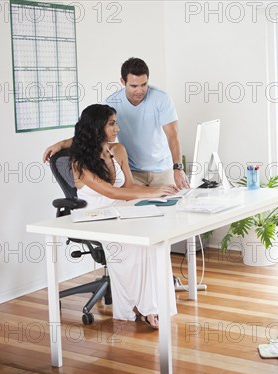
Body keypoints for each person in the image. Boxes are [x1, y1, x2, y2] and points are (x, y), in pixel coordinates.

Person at [71, 103, 179, 328]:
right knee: (134, 244)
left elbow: (128, 186)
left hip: (121, 209)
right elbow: (110, 191)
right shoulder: (79, 162)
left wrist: (161, 192)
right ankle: (140, 307)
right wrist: (152, 191)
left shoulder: (117, 150)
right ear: (96, 127)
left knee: (156, 237)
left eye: (116, 122)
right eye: (112, 124)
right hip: (96, 216)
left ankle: (154, 303)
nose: (117, 128)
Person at [43, 57, 189, 190]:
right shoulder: (112, 103)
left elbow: (173, 136)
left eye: (144, 84)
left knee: (169, 211)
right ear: (123, 82)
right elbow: (92, 133)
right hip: (132, 171)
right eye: (133, 86)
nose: (140, 90)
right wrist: (62, 144)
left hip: (163, 170)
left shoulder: (161, 99)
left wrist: (178, 167)